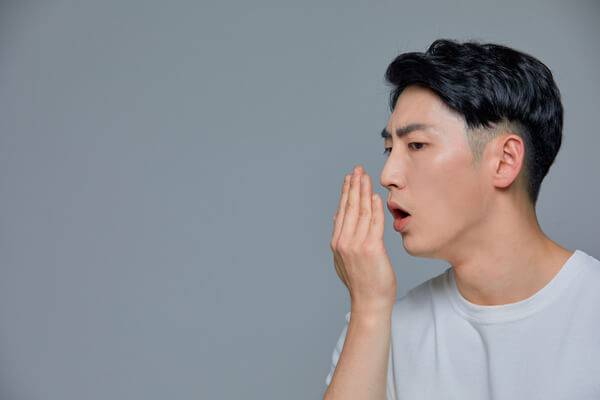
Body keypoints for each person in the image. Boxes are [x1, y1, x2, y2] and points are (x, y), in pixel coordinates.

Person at [323, 38, 600, 400]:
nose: (388, 175)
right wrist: (369, 309)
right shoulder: (379, 330)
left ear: (505, 161)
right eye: (389, 149)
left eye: (416, 145)